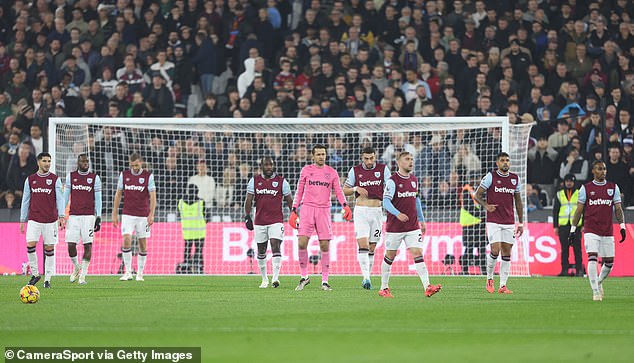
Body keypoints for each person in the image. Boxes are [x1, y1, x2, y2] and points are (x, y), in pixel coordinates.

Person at [378, 151, 442, 298]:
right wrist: (397, 213)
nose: (411, 161)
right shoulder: (392, 181)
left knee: (417, 254)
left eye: (412, 159)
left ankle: (427, 287)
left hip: (412, 226)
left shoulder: (414, 180)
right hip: (395, 227)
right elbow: (386, 202)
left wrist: (422, 219)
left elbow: (416, 200)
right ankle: (384, 288)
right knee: (390, 255)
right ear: (399, 162)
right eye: (407, 159)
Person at [290, 144, 352, 291]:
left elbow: (338, 191)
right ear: (313, 156)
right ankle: (304, 277)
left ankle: (325, 281)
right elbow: (299, 191)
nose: (321, 157)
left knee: (324, 245)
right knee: (301, 242)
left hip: (324, 210)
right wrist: (294, 210)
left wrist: (345, 205)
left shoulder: (332, 172)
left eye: (323, 154)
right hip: (307, 208)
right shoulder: (306, 170)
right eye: (318, 154)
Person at [569, 161, 627, 301]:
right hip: (591, 229)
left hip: (607, 230)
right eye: (600, 169)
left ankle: (599, 282)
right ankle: (595, 291)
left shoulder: (613, 188)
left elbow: (618, 209)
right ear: (593, 171)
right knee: (592, 258)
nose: (603, 171)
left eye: (604, 169)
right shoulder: (586, 188)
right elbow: (579, 211)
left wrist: (622, 226)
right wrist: (573, 229)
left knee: (609, 262)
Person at [474, 152, 524, 294]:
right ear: (497, 163)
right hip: (493, 221)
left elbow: (518, 201)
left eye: (507, 160)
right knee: (495, 249)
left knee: (507, 252)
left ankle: (503, 285)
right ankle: (489, 278)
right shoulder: (491, 176)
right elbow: (477, 195)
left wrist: (520, 223)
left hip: (509, 221)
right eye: (502, 160)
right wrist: (486, 205)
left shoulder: (515, 179)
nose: (505, 163)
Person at [343, 146, 391, 289]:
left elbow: (390, 186)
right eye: (366, 158)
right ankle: (366, 278)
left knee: (372, 247)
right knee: (362, 245)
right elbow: (345, 190)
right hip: (361, 211)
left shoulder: (383, 169)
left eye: (371, 158)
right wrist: (355, 189)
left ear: (375, 156)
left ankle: (367, 276)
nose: (369, 161)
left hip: (377, 211)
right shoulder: (355, 170)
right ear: (362, 158)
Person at [244, 157, 293, 288]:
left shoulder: (282, 182)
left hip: (276, 221)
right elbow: (248, 200)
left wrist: (294, 213)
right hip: (259, 222)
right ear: (261, 166)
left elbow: (289, 200)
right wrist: (247, 216)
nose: (269, 167)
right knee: (261, 250)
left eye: (271, 165)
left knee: (275, 245)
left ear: (274, 166)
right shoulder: (254, 181)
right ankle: (264, 279)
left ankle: (275, 278)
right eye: (266, 165)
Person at [20, 152, 66, 288]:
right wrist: (22, 220)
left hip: (50, 220)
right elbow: (25, 200)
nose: (47, 164)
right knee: (30, 245)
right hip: (34, 218)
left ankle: (48, 279)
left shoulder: (55, 179)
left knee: (49, 248)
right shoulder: (30, 180)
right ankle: (35, 274)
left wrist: (62, 216)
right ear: (38, 162)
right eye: (45, 161)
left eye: (49, 161)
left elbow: (60, 199)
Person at [112, 153, 157, 282]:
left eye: (136, 165)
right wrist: (114, 213)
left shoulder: (148, 176)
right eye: (132, 165)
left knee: (142, 244)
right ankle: (128, 271)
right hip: (127, 214)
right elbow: (118, 194)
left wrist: (151, 214)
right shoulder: (124, 175)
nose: (134, 168)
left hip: (143, 215)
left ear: (141, 163)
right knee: (126, 239)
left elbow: (153, 196)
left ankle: (140, 273)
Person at [63, 154, 102, 285]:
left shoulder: (94, 178)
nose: (85, 163)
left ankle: (83, 276)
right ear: (78, 163)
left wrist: (98, 216)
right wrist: (62, 214)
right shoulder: (71, 177)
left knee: (88, 245)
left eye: (87, 161)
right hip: (74, 216)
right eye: (82, 161)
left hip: (89, 216)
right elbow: (65, 197)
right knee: (71, 245)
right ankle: (76, 267)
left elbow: (98, 199)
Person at [552, 173, 583, 277]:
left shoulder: (579, 193)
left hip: (576, 225)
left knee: (577, 249)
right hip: (564, 225)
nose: (569, 183)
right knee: (564, 249)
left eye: (571, 181)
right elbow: (555, 211)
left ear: (574, 182)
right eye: (567, 181)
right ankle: (564, 270)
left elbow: (584, 210)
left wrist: (583, 224)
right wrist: (555, 226)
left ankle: (579, 270)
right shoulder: (559, 194)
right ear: (564, 182)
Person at [459, 172, 487, 275]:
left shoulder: (477, 191)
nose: (477, 180)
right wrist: (482, 215)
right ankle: (464, 270)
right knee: (470, 248)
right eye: (475, 178)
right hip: (470, 224)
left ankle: (484, 270)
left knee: (482, 247)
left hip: (479, 223)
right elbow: (468, 207)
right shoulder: (467, 190)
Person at [177, 184, 206, 274]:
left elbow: (179, 215)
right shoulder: (201, 202)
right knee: (199, 250)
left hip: (187, 231)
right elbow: (206, 216)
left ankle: (186, 268)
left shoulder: (180, 202)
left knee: (187, 250)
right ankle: (199, 269)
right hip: (199, 231)